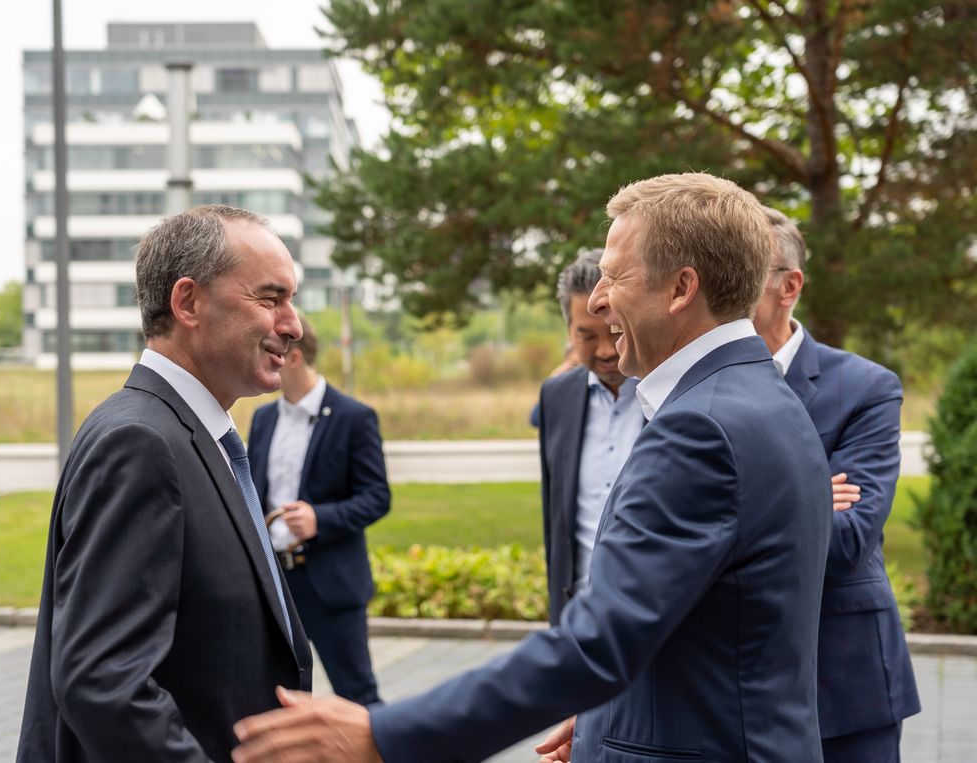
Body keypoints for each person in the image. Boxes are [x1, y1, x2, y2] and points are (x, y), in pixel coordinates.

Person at [231, 173, 834, 763]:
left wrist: (384, 737)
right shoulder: (758, 397)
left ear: (681, 289)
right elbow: (707, 627)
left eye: (614, 275)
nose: (596, 299)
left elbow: (602, 642)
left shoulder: (699, 426)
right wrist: (607, 720)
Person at [16, 205, 313, 762]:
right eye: (270, 299)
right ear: (188, 303)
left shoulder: (187, 434)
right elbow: (105, 684)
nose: (293, 324)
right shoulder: (142, 443)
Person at [754, 207, 921, 762]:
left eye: (740, 272)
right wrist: (803, 499)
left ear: (789, 286)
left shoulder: (867, 388)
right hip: (734, 690)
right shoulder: (686, 387)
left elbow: (846, 542)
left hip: (844, 686)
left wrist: (736, 512)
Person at [247, 313, 390, 706]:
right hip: (275, 585)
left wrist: (319, 519)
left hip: (332, 586)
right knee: (274, 699)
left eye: (269, 351)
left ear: (293, 358)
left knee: (358, 697)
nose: (262, 360)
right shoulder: (262, 418)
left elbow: (377, 496)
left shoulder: (354, 417)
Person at [536, 251, 643, 624]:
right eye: (585, 336)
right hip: (576, 619)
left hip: (652, 622)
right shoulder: (555, 396)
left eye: (614, 333)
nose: (603, 351)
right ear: (569, 333)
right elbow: (556, 517)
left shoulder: (670, 396)